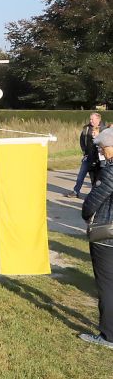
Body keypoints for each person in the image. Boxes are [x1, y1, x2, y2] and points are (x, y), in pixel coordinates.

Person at [80, 128, 113, 349]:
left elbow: (94, 199)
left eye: (103, 148)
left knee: (107, 286)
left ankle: (108, 336)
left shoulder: (111, 170)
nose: (101, 152)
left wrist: (85, 213)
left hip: (107, 235)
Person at [74, 113, 107, 198]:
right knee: (81, 174)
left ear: (98, 119)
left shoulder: (105, 129)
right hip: (88, 156)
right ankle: (75, 191)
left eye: (92, 119)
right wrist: (84, 151)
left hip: (100, 158)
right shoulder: (86, 128)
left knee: (98, 178)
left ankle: (96, 195)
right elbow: (82, 140)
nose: (90, 121)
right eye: (90, 119)